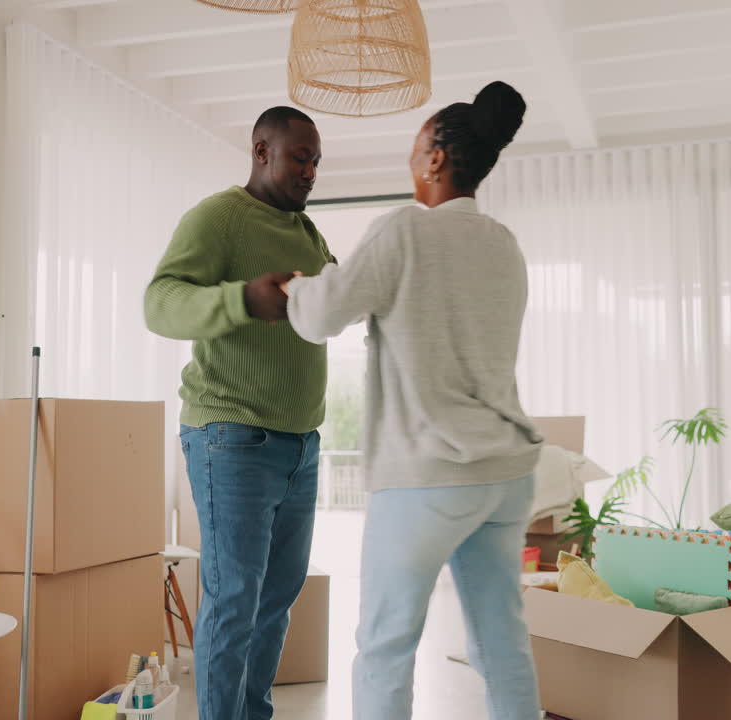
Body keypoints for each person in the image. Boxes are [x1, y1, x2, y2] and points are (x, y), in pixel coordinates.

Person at [282, 81, 544, 720]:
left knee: (386, 646)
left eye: (416, 142)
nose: (410, 154)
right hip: (505, 473)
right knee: (502, 643)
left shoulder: (403, 231)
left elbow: (322, 316)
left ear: (435, 159)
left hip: (425, 478)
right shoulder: (504, 245)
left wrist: (295, 285)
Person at [143, 106, 334, 720]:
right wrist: (243, 298)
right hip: (232, 434)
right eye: (299, 157)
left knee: (276, 600)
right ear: (260, 151)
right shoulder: (218, 218)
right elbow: (160, 302)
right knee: (233, 600)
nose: (310, 171)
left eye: (316, 162)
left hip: (300, 444)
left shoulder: (308, 233)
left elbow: (329, 303)